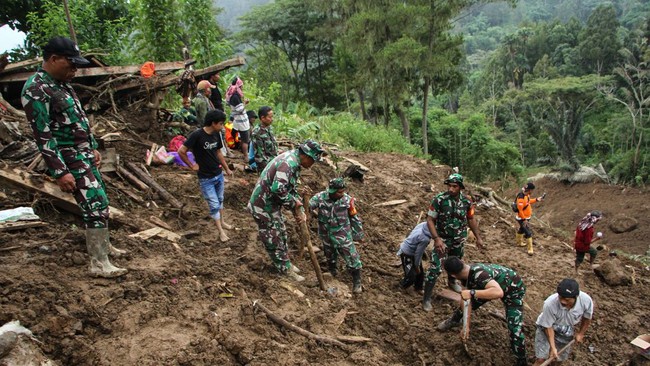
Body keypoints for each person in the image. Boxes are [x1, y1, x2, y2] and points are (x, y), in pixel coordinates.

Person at [21, 36, 127, 277]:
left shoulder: (61, 83)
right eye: (71, 65)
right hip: (68, 157)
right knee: (94, 204)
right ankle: (99, 263)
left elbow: (76, 120)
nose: (75, 70)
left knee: (101, 200)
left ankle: (104, 247)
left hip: (83, 154)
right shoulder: (36, 88)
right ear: (54, 59)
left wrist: (92, 147)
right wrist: (60, 171)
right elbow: (43, 135)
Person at [248, 139, 326, 282]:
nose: (312, 164)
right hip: (263, 206)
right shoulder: (288, 164)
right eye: (313, 160)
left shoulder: (294, 161)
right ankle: (284, 270)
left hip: (270, 205)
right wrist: (294, 203)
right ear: (306, 156)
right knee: (274, 237)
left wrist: (300, 209)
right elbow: (278, 189)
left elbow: (291, 189)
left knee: (282, 233)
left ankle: (285, 264)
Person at [439, 256, 527, 366]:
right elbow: (466, 301)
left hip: (513, 289)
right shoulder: (465, 275)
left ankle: (521, 360)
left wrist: (471, 293)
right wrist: (466, 326)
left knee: (514, 329)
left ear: (452, 275)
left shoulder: (479, 275)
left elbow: (498, 292)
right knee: (466, 304)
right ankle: (455, 320)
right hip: (489, 287)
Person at [421, 173, 484, 312]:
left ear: (460, 187)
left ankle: (452, 281)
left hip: (458, 240)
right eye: (449, 186)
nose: (451, 189)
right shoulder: (439, 200)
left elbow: (471, 219)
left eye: (454, 186)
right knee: (435, 268)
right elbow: (430, 220)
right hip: (442, 240)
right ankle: (426, 298)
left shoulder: (467, 202)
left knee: (456, 263)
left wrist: (478, 237)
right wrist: (437, 239)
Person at [177, 110, 234, 242]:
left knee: (220, 200)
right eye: (220, 124)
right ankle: (221, 232)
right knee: (214, 204)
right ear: (213, 123)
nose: (222, 126)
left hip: (218, 174)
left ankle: (223, 222)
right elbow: (181, 151)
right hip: (205, 178)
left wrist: (226, 169)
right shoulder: (197, 135)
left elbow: (218, 152)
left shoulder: (217, 134)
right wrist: (191, 165)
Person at [309, 178, 364, 293]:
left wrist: (358, 234)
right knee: (329, 254)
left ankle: (357, 280)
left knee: (351, 255)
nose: (342, 194)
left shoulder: (348, 201)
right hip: (326, 233)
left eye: (343, 191)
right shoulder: (320, 197)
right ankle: (332, 271)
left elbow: (354, 218)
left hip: (342, 233)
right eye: (339, 192)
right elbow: (308, 206)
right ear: (332, 191)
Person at [533, 279, 594, 365]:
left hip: (566, 328)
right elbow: (548, 326)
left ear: (576, 297)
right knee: (541, 359)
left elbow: (587, 318)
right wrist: (553, 347)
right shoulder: (550, 304)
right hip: (546, 326)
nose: (562, 301)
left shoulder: (586, 301)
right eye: (560, 297)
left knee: (558, 360)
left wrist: (581, 333)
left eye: (567, 299)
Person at [397, 221, 431, 293]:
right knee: (411, 275)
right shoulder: (425, 239)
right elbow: (418, 254)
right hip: (407, 253)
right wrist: (416, 266)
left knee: (420, 273)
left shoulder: (423, 224)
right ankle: (402, 286)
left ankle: (418, 287)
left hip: (413, 251)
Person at [515, 182, 545, 255]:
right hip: (522, 218)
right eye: (532, 190)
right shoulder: (521, 198)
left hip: (526, 217)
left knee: (521, 230)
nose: (532, 192)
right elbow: (520, 210)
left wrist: (537, 199)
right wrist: (524, 220)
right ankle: (530, 249)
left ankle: (519, 242)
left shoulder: (526, 195)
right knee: (528, 233)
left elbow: (528, 202)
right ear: (530, 190)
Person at [226, 77, 250, 158]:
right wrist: (245, 104)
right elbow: (240, 110)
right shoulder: (235, 97)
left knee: (239, 135)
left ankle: (240, 149)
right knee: (245, 140)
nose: (242, 87)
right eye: (241, 86)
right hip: (241, 121)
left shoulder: (232, 95)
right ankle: (246, 156)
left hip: (237, 120)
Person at [250, 106, 278, 173]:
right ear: (262, 118)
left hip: (274, 162)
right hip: (266, 166)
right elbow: (260, 156)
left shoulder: (269, 128)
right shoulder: (257, 132)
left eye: (272, 117)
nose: (272, 119)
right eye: (270, 117)